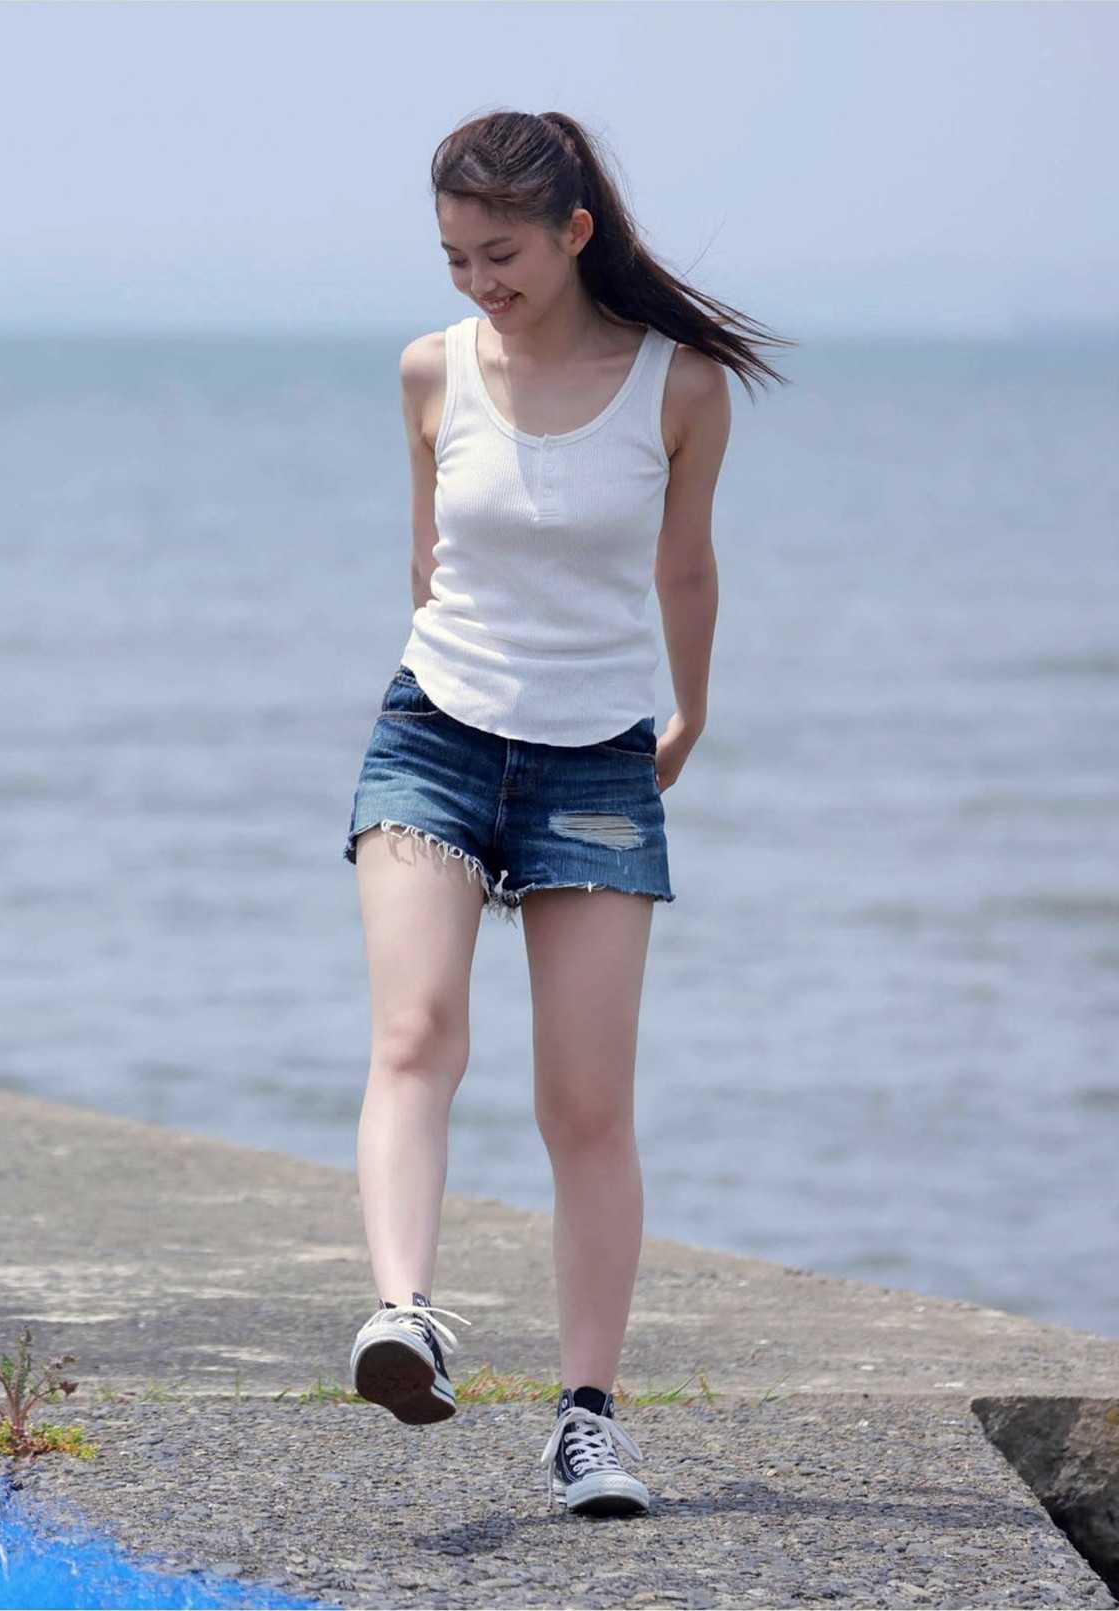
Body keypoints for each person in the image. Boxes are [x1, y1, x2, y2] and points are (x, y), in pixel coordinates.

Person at [344, 108, 793, 1517]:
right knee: (416, 1034)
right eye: (455, 257)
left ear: (573, 232)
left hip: (597, 761)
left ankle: (587, 1423)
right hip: (434, 735)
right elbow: (428, 560)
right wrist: (465, 684)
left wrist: (691, 713)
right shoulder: (430, 370)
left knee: (586, 1105)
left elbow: (686, 569)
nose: (479, 281)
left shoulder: (679, 386)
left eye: (503, 254)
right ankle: (405, 1318)